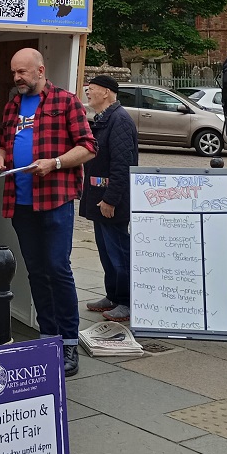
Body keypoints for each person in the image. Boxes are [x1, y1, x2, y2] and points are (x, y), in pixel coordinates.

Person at [0, 48, 96, 376]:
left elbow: (88, 147)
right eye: (14, 72)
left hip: (55, 200)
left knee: (57, 269)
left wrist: (56, 163)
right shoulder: (12, 105)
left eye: (22, 72)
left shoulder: (66, 101)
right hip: (20, 203)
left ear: (40, 70)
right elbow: (2, 143)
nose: (17, 78)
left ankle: (68, 343)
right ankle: (48, 337)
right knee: (35, 270)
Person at [81, 75, 139, 322]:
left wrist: (111, 199)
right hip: (99, 199)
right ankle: (113, 295)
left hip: (111, 202)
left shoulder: (120, 121)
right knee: (106, 251)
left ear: (106, 92)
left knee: (118, 252)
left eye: (91, 89)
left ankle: (126, 300)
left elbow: (122, 164)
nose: (87, 93)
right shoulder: (104, 119)